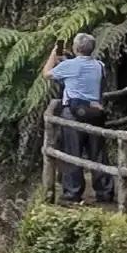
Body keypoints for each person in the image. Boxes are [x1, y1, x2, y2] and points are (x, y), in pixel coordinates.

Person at [43, 31, 113, 204]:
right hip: (95, 113)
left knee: (72, 153)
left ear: (75, 48)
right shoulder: (100, 65)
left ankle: (72, 193)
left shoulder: (69, 66)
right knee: (98, 154)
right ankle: (105, 192)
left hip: (73, 114)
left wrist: (55, 52)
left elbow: (46, 73)